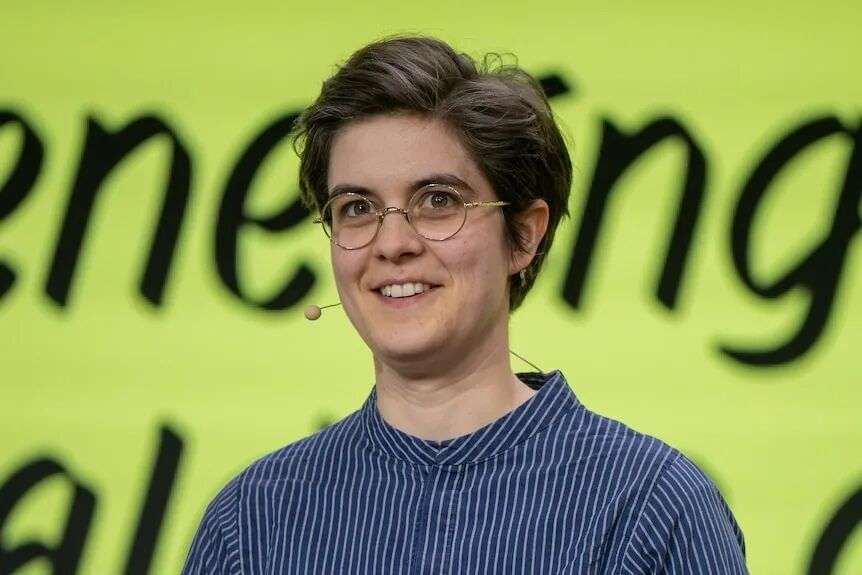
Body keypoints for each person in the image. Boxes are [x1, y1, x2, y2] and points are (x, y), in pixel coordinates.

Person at [182, 36, 747, 574]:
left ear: (524, 235)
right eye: (356, 208)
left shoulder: (652, 504)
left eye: (437, 201)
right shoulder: (253, 518)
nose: (393, 243)